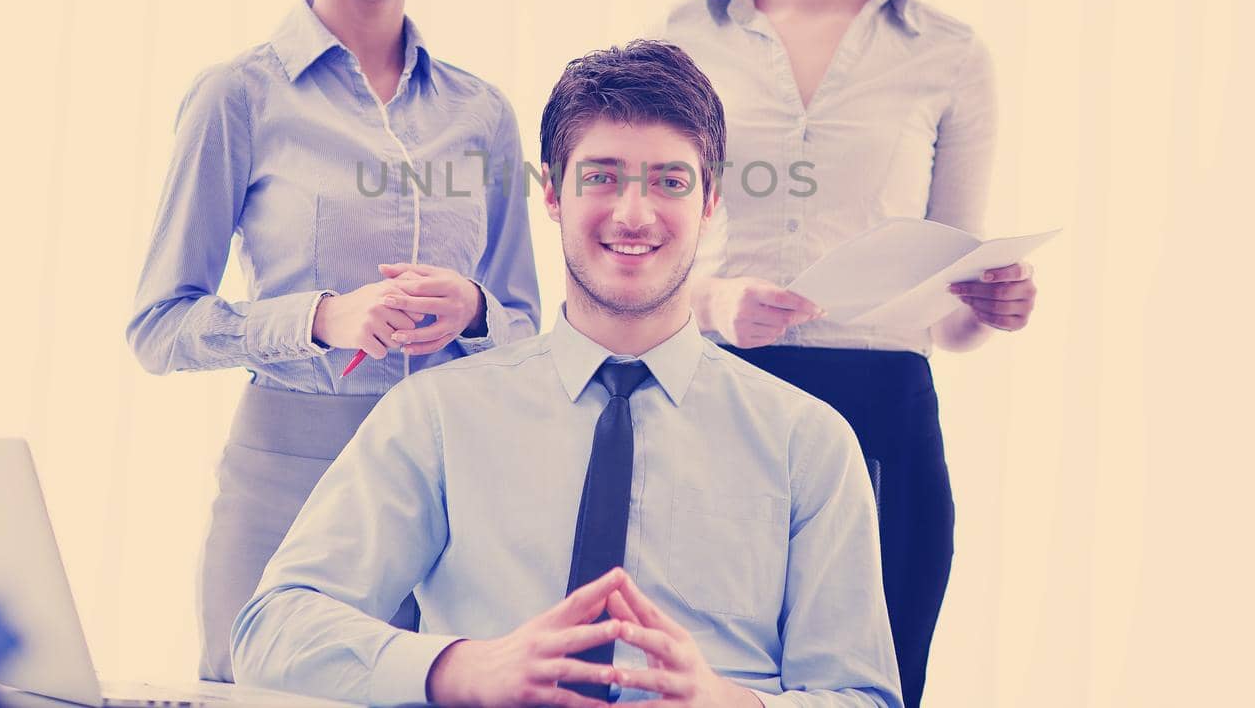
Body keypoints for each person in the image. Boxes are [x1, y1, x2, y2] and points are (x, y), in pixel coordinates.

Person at [231, 41, 902, 708]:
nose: (634, 214)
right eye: (602, 176)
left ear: (711, 201)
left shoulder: (806, 443)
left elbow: (862, 695)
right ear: (552, 193)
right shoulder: (437, 414)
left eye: (670, 181)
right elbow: (273, 632)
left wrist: (733, 706)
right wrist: (465, 669)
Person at [126, 0, 541, 681]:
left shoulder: (484, 114)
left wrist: (471, 306)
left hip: (448, 487)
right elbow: (158, 326)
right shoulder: (238, 96)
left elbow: (523, 325)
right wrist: (321, 319)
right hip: (287, 481)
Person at [659, 0, 1040, 707]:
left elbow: (945, 313)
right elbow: (643, 255)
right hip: (719, 402)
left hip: (883, 416)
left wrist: (986, 307)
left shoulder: (950, 57)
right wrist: (714, 301)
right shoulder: (684, 39)